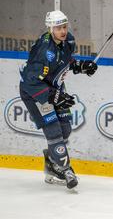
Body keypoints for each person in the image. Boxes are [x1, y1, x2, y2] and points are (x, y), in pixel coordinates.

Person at [19, 10, 98, 189]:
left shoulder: (67, 40)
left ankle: (51, 163)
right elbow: (31, 81)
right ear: (50, 28)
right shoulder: (43, 50)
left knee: (65, 128)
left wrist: (80, 66)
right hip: (35, 94)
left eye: (64, 26)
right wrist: (54, 96)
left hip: (54, 89)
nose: (62, 31)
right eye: (58, 28)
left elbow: (64, 61)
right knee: (54, 131)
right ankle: (65, 169)